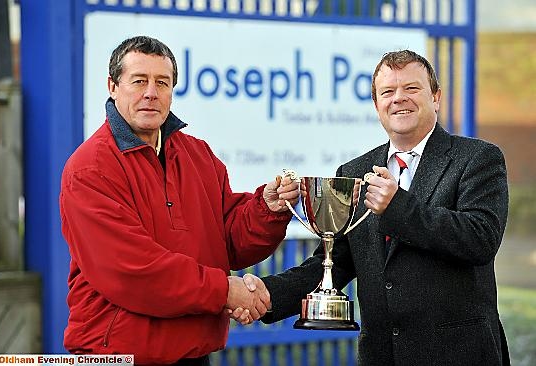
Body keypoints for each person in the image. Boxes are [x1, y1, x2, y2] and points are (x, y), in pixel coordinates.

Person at [233, 49, 510, 365]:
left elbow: (481, 239)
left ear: (436, 98)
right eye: (388, 91)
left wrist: (397, 206)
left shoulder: (477, 158)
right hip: (381, 356)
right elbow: (334, 261)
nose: (398, 98)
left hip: (460, 355)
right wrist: (267, 295)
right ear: (377, 104)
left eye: (411, 88)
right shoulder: (354, 171)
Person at [59, 35, 299, 365]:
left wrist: (267, 210)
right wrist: (224, 291)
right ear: (112, 86)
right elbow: (134, 270)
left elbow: (229, 240)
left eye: (162, 82)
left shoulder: (197, 154)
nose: (151, 93)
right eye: (139, 81)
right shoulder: (89, 168)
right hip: (119, 354)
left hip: (194, 351)